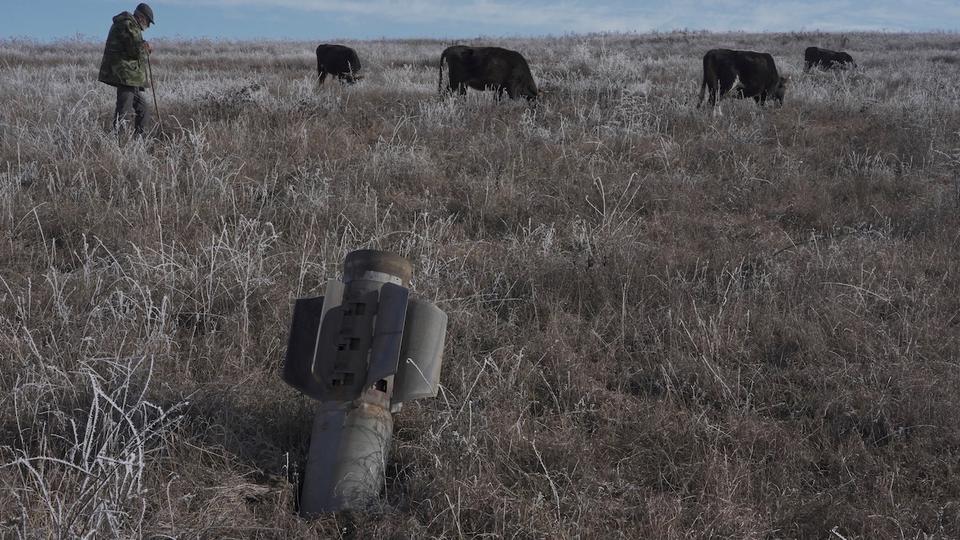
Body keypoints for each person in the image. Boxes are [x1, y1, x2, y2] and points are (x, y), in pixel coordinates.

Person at [98, 3, 155, 137]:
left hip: (130, 77)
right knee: (124, 111)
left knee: (143, 109)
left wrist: (143, 45)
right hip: (125, 75)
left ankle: (139, 145)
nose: (148, 25)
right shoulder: (128, 25)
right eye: (148, 21)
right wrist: (146, 47)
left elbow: (132, 47)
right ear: (141, 17)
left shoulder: (129, 25)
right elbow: (135, 50)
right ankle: (119, 146)